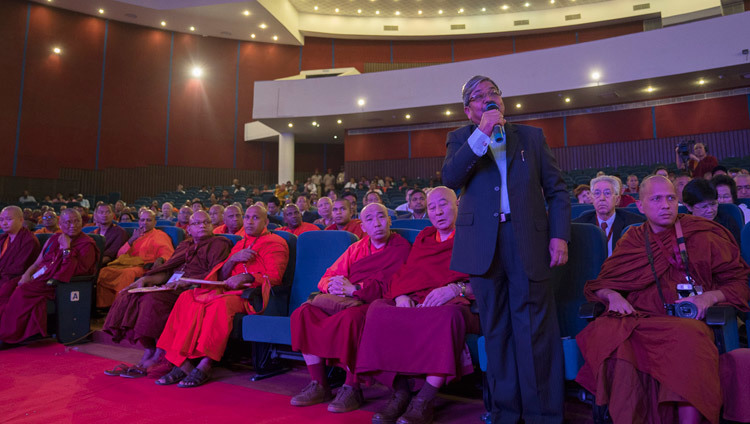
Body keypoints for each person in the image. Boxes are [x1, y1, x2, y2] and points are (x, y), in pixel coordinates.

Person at [442, 75, 570, 423]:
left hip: (527, 239)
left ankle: (543, 414)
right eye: (478, 97)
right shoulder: (461, 139)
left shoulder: (531, 136)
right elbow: (451, 179)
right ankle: (503, 412)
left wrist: (559, 235)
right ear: (469, 112)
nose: (488, 99)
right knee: (495, 331)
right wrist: (481, 134)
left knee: (534, 331)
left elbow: (557, 190)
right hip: (482, 244)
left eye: (493, 93)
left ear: (504, 101)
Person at [575, 175, 750, 424]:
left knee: (686, 337)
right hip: (641, 320)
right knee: (613, 338)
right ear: (640, 205)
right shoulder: (633, 240)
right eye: (656, 199)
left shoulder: (703, 234)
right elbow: (602, 285)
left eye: (670, 198)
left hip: (687, 323)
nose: (665, 205)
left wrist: (708, 298)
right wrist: (612, 296)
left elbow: (738, 283)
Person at [357, 187, 480, 424]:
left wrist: (456, 288)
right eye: (432, 207)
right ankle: (401, 392)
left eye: (443, 205)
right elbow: (409, 273)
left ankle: (424, 399)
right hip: (419, 299)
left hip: (459, 304)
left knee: (447, 317)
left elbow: (489, 282)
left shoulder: (472, 235)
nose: (437, 212)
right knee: (378, 310)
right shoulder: (425, 237)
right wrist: (402, 295)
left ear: (458, 205)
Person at [290, 203, 411, 413]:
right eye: (370, 220)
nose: (377, 223)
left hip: (371, 302)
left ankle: (352, 387)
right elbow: (326, 277)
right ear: (363, 227)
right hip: (344, 299)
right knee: (303, 313)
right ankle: (319, 384)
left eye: (381, 217)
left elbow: (398, 283)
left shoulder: (401, 248)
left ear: (390, 220)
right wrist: (333, 285)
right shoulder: (356, 248)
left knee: (352, 319)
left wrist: (355, 288)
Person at [155, 205, 289, 388]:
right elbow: (223, 275)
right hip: (227, 290)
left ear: (266, 222)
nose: (249, 221)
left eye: (255, 218)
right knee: (187, 297)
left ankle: (205, 364)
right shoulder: (240, 243)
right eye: (247, 217)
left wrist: (248, 276)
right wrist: (233, 259)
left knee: (219, 305)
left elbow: (275, 277)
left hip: (251, 297)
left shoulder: (275, 242)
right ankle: (182, 361)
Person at [102, 211, 232, 378]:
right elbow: (168, 271)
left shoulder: (219, 243)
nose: (203, 225)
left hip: (195, 288)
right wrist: (146, 280)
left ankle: (160, 356)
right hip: (173, 285)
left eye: (206, 222)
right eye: (197, 223)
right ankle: (148, 350)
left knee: (152, 300)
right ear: (189, 229)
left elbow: (216, 273)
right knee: (130, 295)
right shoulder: (185, 245)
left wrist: (188, 280)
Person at [0, 209, 98, 346]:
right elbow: (36, 263)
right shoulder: (53, 239)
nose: (73, 225)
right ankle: (4, 328)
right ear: (61, 223)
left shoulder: (87, 244)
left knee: (22, 292)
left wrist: (66, 249)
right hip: (39, 277)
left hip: (57, 284)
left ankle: (9, 335)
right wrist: (26, 275)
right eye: (68, 222)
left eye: (77, 221)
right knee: (7, 289)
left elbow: (72, 273)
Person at [95, 210, 174, 308]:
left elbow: (167, 253)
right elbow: (120, 255)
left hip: (144, 267)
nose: (144, 223)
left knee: (127, 274)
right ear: (139, 222)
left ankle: (121, 306)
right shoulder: (136, 235)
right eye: (142, 220)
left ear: (155, 222)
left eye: (148, 220)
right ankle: (104, 305)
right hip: (127, 264)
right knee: (104, 271)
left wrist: (161, 259)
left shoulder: (161, 235)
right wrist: (132, 239)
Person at [573, 176, 645, 257]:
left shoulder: (633, 223)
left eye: (607, 193)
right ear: (592, 199)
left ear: (617, 200)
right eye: (597, 193)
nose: (602, 198)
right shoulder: (579, 226)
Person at [0, 206, 41, 316]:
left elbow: (19, 268)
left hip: (17, 278)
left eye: (8, 219)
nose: (4, 223)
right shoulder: (3, 239)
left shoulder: (29, 240)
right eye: (1, 219)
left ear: (21, 220)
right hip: (4, 276)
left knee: (3, 291)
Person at [682, 178, 741, 244]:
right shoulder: (682, 226)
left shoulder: (727, 221)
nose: (710, 210)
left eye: (713, 204)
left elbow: (736, 250)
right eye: (704, 206)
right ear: (689, 207)